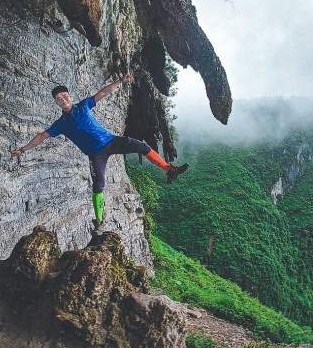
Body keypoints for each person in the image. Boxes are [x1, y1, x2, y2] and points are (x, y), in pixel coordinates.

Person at [10, 73, 189, 232]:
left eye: (64, 96)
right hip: (96, 154)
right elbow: (42, 136)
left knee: (142, 147)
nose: (63, 99)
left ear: (69, 96)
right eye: (59, 98)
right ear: (56, 103)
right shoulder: (60, 124)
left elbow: (103, 93)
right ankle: (99, 221)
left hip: (111, 141)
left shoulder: (83, 106)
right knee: (99, 185)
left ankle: (169, 170)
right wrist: (23, 150)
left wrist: (120, 81)